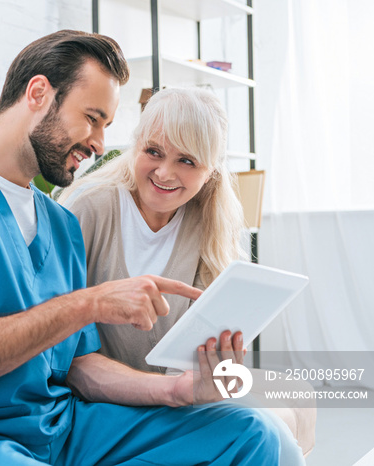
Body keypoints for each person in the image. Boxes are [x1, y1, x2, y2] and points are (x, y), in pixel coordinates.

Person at [0, 31, 281, 465]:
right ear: (39, 93)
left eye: (107, 127)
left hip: (62, 431)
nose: (100, 144)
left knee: (250, 434)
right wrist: (88, 303)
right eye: (92, 118)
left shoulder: (59, 225)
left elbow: (80, 365)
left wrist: (177, 390)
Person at [59, 87, 306, 464]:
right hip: (103, 404)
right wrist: (175, 390)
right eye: (153, 151)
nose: (164, 172)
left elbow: (198, 350)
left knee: (293, 409)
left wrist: (216, 367)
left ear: (209, 172)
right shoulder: (89, 208)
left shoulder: (206, 221)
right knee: (274, 439)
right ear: (135, 145)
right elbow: (67, 360)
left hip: (176, 396)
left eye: (187, 161)